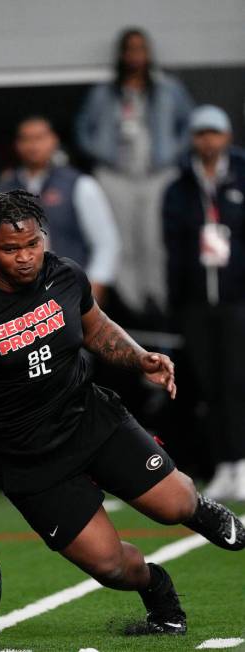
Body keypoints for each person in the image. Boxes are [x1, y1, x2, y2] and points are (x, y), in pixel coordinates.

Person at [0, 189, 245, 636]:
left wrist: (139, 357)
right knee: (110, 566)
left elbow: (96, 326)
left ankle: (201, 508)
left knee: (175, 503)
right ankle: (158, 588)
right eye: (11, 249)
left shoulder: (65, 276)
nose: (25, 257)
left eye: (32, 244)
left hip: (89, 417)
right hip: (27, 456)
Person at [76, 27, 193, 326]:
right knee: (121, 237)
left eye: (141, 49)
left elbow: (187, 126)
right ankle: (130, 302)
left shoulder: (169, 89)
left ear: (149, 53)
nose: (135, 56)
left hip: (156, 174)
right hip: (116, 175)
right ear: (121, 54)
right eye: (130, 49)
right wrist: (103, 155)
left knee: (154, 237)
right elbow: (82, 130)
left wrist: (171, 157)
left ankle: (155, 297)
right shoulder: (103, 91)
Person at [163, 105, 245, 501]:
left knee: (236, 380)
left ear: (226, 136)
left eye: (214, 132)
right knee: (209, 384)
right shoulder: (179, 186)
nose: (207, 140)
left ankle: (241, 462)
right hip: (196, 301)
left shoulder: (241, 177)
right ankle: (224, 465)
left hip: (236, 298)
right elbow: (173, 245)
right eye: (200, 134)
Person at [0, 116, 120, 306]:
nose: (33, 145)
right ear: (17, 145)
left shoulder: (79, 184)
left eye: (40, 138)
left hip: (70, 291)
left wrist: (93, 289)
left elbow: (106, 243)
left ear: (54, 140)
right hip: (16, 298)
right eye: (26, 139)